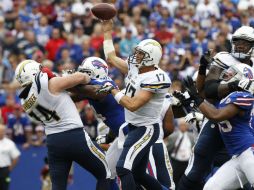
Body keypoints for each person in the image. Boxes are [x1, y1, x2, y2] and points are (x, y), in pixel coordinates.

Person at [75, 56, 175, 189]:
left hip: (137, 134)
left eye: (86, 73)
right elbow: (115, 117)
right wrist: (110, 136)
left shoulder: (99, 88)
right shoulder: (105, 87)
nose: (82, 75)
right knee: (108, 172)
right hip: (123, 134)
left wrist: (64, 82)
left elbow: (82, 92)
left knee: (136, 175)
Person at [177, 25, 254, 190]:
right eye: (237, 42)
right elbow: (209, 90)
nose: (240, 46)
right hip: (216, 117)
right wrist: (233, 85)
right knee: (200, 162)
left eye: (245, 43)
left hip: (243, 122)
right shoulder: (225, 58)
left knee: (243, 170)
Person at [15, 59, 111, 190]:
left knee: (58, 186)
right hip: (74, 136)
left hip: (53, 142)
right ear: (34, 71)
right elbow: (81, 77)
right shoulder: (50, 84)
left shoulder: (24, 101)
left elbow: (61, 98)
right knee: (105, 173)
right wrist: (77, 75)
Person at [100, 20, 171, 190]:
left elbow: (132, 105)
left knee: (123, 168)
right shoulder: (136, 67)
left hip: (146, 129)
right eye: (137, 53)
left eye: (141, 54)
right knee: (138, 174)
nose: (136, 56)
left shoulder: (156, 78)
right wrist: (107, 31)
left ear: (151, 58)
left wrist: (113, 90)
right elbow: (111, 57)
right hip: (133, 126)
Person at [0, 124, 20, 190]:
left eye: (2, 131)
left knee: (4, 187)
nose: (0, 132)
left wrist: (9, 169)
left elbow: (16, 156)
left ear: (4, 132)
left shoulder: (9, 143)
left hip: (4, 170)